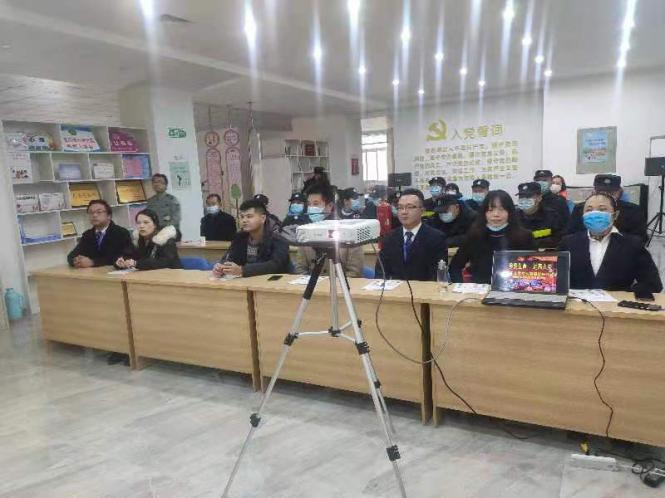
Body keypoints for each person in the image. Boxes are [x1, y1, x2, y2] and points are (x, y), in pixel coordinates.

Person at [559, 193, 662, 293]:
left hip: (617, 303)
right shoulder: (568, 243)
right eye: (589, 210)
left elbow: (653, 284)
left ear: (615, 215)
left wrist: (624, 295)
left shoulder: (632, 245)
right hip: (576, 303)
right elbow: (555, 279)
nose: (594, 214)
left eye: (602, 209)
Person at [450, 190, 535, 284]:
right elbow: (455, 267)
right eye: (490, 210)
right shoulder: (474, 235)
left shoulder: (524, 237)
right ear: (484, 213)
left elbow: (533, 269)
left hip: (514, 287)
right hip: (480, 289)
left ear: (510, 212)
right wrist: (461, 287)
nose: (496, 214)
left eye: (501, 209)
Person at [375, 188, 448, 281]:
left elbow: (437, 275)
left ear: (422, 210)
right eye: (400, 208)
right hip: (396, 288)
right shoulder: (390, 237)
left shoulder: (436, 238)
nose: (404, 212)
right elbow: (380, 271)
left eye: (410, 207)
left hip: (424, 288)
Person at [294, 182, 364, 277]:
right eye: (309, 204)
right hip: (312, 284)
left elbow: (354, 272)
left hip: (341, 284)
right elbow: (300, 268)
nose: (311, 208)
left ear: (330, 206)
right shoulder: (305, 231)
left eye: (316, 204)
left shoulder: (349, 231)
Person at [212, 199, 290, 277]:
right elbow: (230, 258)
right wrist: (222, 267)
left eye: (249, 216)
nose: (244, 220)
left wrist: (242, 270)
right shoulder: (239, 238)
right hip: (246, 282)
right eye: (242, 217)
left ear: (263, 218)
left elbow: (275, 266)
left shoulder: (279, 241)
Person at [567, 174, 647, 243]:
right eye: (601, 192)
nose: (606, 196)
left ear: (619, 192)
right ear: (594, 191)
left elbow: (641, 238)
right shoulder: (580, 209)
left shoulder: (632, 210)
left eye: (611, 193)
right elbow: (570, 234)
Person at [67, 200, 132, 268]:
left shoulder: (121, 233)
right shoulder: (87, 235)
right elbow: (71, 256)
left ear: (109, 216)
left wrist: (93, 262)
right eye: (91, 212)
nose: (94, 215)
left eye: (99, 212)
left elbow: (126, 256)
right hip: (92, 273)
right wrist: (77, 261)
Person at [115, 209, 182, 271]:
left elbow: (164, 262)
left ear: (155, 225)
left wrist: (137, 263)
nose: (141, 226)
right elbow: (129, 255)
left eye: (146, 222)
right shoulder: (138, 240)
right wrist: (122, 261)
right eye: (138, 223)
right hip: (147, 276)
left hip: (171, 276)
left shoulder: (166, 239)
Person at [515, 182, 565, 249]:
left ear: (539, 198)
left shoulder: (552, 216)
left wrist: (535, 243)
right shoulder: (513, 216)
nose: (524, 200)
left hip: (544, 253)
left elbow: (559, 239)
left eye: (528, 197)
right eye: (521, 197)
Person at [146, 173, 182, 241]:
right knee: (137, 234)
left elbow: (176, 219)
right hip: (155, 230)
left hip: (170, 230)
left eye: (160, 182)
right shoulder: (150, 201)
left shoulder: (172, 200)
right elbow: (147, 218)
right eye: (155, 182)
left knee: (160, 237)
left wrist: (161, 229)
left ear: (166, 185)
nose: (157, 184)